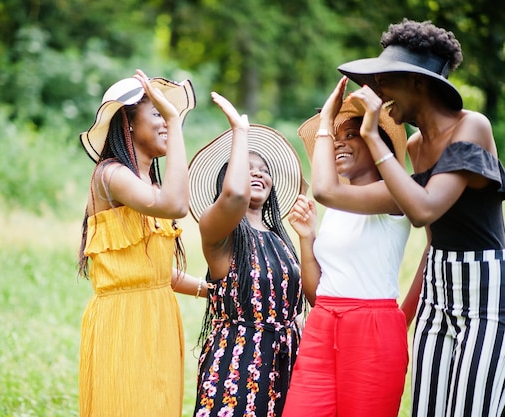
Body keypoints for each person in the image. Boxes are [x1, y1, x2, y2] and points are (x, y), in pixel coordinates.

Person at [338, 18, 505, 417]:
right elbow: (432, 239)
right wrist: (407, 311)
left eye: (385, 82)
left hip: (485, 292)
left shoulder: (472, 126)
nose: (378, 94)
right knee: (427, 407)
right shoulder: (414, 145)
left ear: (418, 82)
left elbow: (423, 208)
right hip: (438, 291)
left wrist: (374, 135)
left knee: (470, 408)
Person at [76, 69, 208, 417]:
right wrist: (176, 124)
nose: (167, 121)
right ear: (128, 123)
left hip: (160, 317)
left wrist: (210, 289)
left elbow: (158, 272)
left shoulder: (149, 185)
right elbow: (178, 205)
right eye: (158, 113)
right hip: (123, 322)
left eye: (169, 115)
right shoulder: (111, 175)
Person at [281, 76, 410, 417]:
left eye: (350, 135)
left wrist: (326, 119)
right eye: (335, 138)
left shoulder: (395, 194)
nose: (339, 144)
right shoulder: (337, 209)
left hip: (372, 331)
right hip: (322, 325)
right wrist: (307, 238)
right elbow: (316, 293)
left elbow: (324, 190)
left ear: (376, 144)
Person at [188, 92, 307, 417]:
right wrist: (240, 132)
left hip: (285, 360)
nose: (256, 174)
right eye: (246, 168)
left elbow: (306, 298)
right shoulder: (218, 232)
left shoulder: (280, 238)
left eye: (264, 169)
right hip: (238, 361)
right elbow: (235, 195)